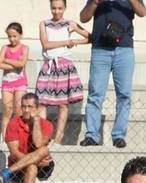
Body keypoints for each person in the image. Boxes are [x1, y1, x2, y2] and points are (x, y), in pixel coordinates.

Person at [79, 0, 143, 148]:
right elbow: (83, 17)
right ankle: (92, 135)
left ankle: (119, 136)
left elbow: (142, 12)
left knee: (124, 95)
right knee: (95, 94)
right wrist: (95, 3)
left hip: (124, 49)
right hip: (100, 49)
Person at [36, 0, 89, 144]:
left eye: (60, 8)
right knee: (41, 102)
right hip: (49, 65)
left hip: (64, 65)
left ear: (65, 8)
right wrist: (66, 42)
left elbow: (89, 37)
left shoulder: (70, 24)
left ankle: (58, 138)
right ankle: (43, 136)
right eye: (54, 8)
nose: (56, 11)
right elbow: (46, 44)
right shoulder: (44, 24)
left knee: (63, 104)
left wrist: (74, 42)